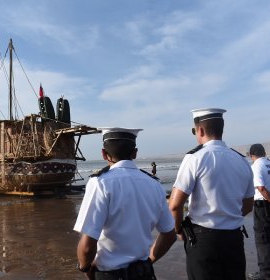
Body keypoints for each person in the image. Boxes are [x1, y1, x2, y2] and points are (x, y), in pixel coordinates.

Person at [73, 127, 176, 280]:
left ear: (103, 154)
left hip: (111, 275)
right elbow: (169, 235)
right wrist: (149, 260)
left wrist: (85, 268)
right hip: (145, 274)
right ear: (135, 152)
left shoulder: (100, 183)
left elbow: (87, 246)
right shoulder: (154, 184)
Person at [168, 108, 255, 280]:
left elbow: (175, 204)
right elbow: (247, 205)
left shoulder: (195, 158)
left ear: (200, 130)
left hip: (203, 240)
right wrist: (227, 215)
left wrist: (178, 229)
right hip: (234, 239)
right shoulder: (241, 160)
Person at [247, 144, 270, 280]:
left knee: (263, 240)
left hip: (263, 205)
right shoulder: (268, 163)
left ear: (251, 155)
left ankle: (265, 274)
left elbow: (260, 187)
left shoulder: (256, 166)